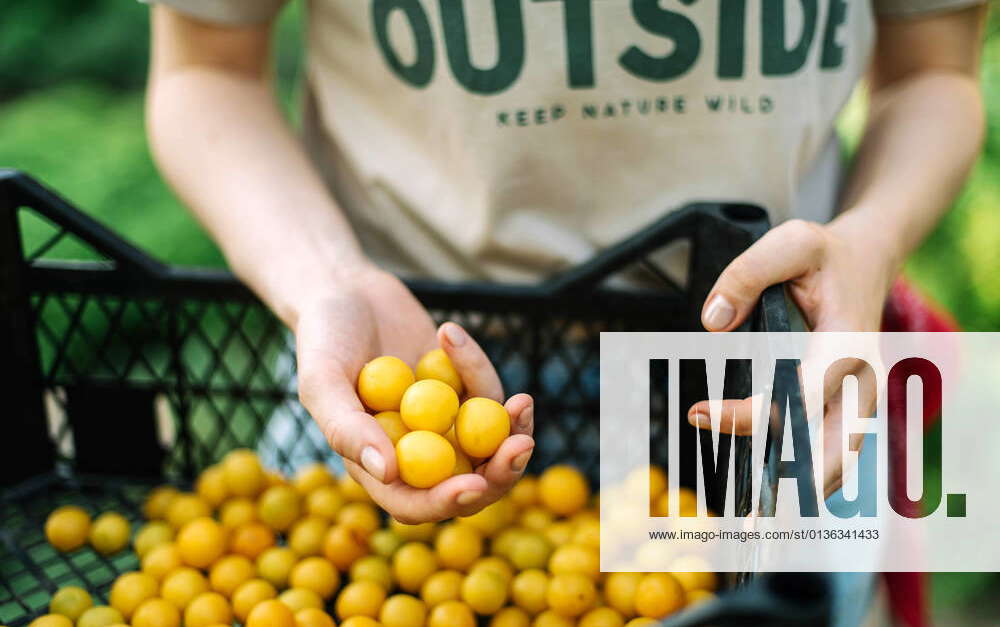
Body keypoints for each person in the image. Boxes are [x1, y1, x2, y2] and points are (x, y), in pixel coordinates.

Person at [142, 0, 986, 528]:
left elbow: (933, 73)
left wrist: (870, 238)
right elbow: (206, 71)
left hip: (758, 376)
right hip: (403, 360)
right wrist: (326, 279)